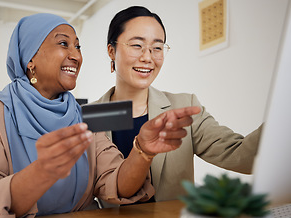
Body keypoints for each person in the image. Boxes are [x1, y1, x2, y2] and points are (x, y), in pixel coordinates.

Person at [0, 13, 201, 218]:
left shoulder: (85, 114)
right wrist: (41, 172)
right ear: (30, 59)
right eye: (64, 44)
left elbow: (116, 183)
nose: (76, 56)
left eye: (78, 47)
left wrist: (143, 151)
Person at [95, 6, 262, 204]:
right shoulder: (92, 116)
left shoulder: (183, 106)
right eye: (137, 45)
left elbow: (241, 155)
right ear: (111, 51)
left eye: (157, 47)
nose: (148, 57)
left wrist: (282, 118)